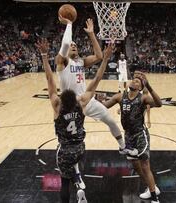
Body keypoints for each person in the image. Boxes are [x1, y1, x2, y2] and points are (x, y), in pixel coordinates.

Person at [36, 38, 113, 203]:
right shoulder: (82, 103)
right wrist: (105, 59)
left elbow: (50, 80)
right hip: (80, 148)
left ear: (61, 96)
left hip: (64, 150)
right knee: (75, 166)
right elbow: (96, 81)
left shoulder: (57, 106)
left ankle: (75, 186)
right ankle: (79, 184)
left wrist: (44, 55)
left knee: (64, 182)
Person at [56, 14, 136, 159]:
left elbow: (99, 56)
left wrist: (92, 34)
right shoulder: (62, 62)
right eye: (71, 45)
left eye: (75, 45)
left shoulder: (81, 62)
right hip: (71, 104)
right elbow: (66, 43)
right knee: (71, 135)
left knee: (110, 120)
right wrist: (69, 24)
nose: (73, 46)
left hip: (87, 100)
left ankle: (123, 147)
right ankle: (67, 156)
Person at [98, 73, 163, 203]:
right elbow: (103, 107)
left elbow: (159, 103)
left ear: (140, 87)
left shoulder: (143, 98)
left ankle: (155, 198)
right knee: (135, 165)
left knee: (145, 165)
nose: (134, 82)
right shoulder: (120, 96)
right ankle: (152, 188)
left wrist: (149, 86)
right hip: (128, 136)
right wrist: (99, 101)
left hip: (140, 134)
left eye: (138, 82)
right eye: (133, 80)